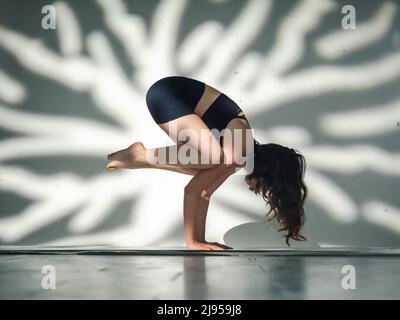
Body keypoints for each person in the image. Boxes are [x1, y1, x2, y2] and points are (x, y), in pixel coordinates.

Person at [106, 75, 308, 250]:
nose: (260, 190)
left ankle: (138, 155)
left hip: (173, 99)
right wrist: (192, 241)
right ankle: (139, 156)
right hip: (168, 94)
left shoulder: (238, 157)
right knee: (212, 159)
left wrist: (200, 240)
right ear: (269, 175)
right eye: (268, 188)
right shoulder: (238, 150)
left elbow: (204, 193)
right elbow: (193, 190)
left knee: (207, 165)